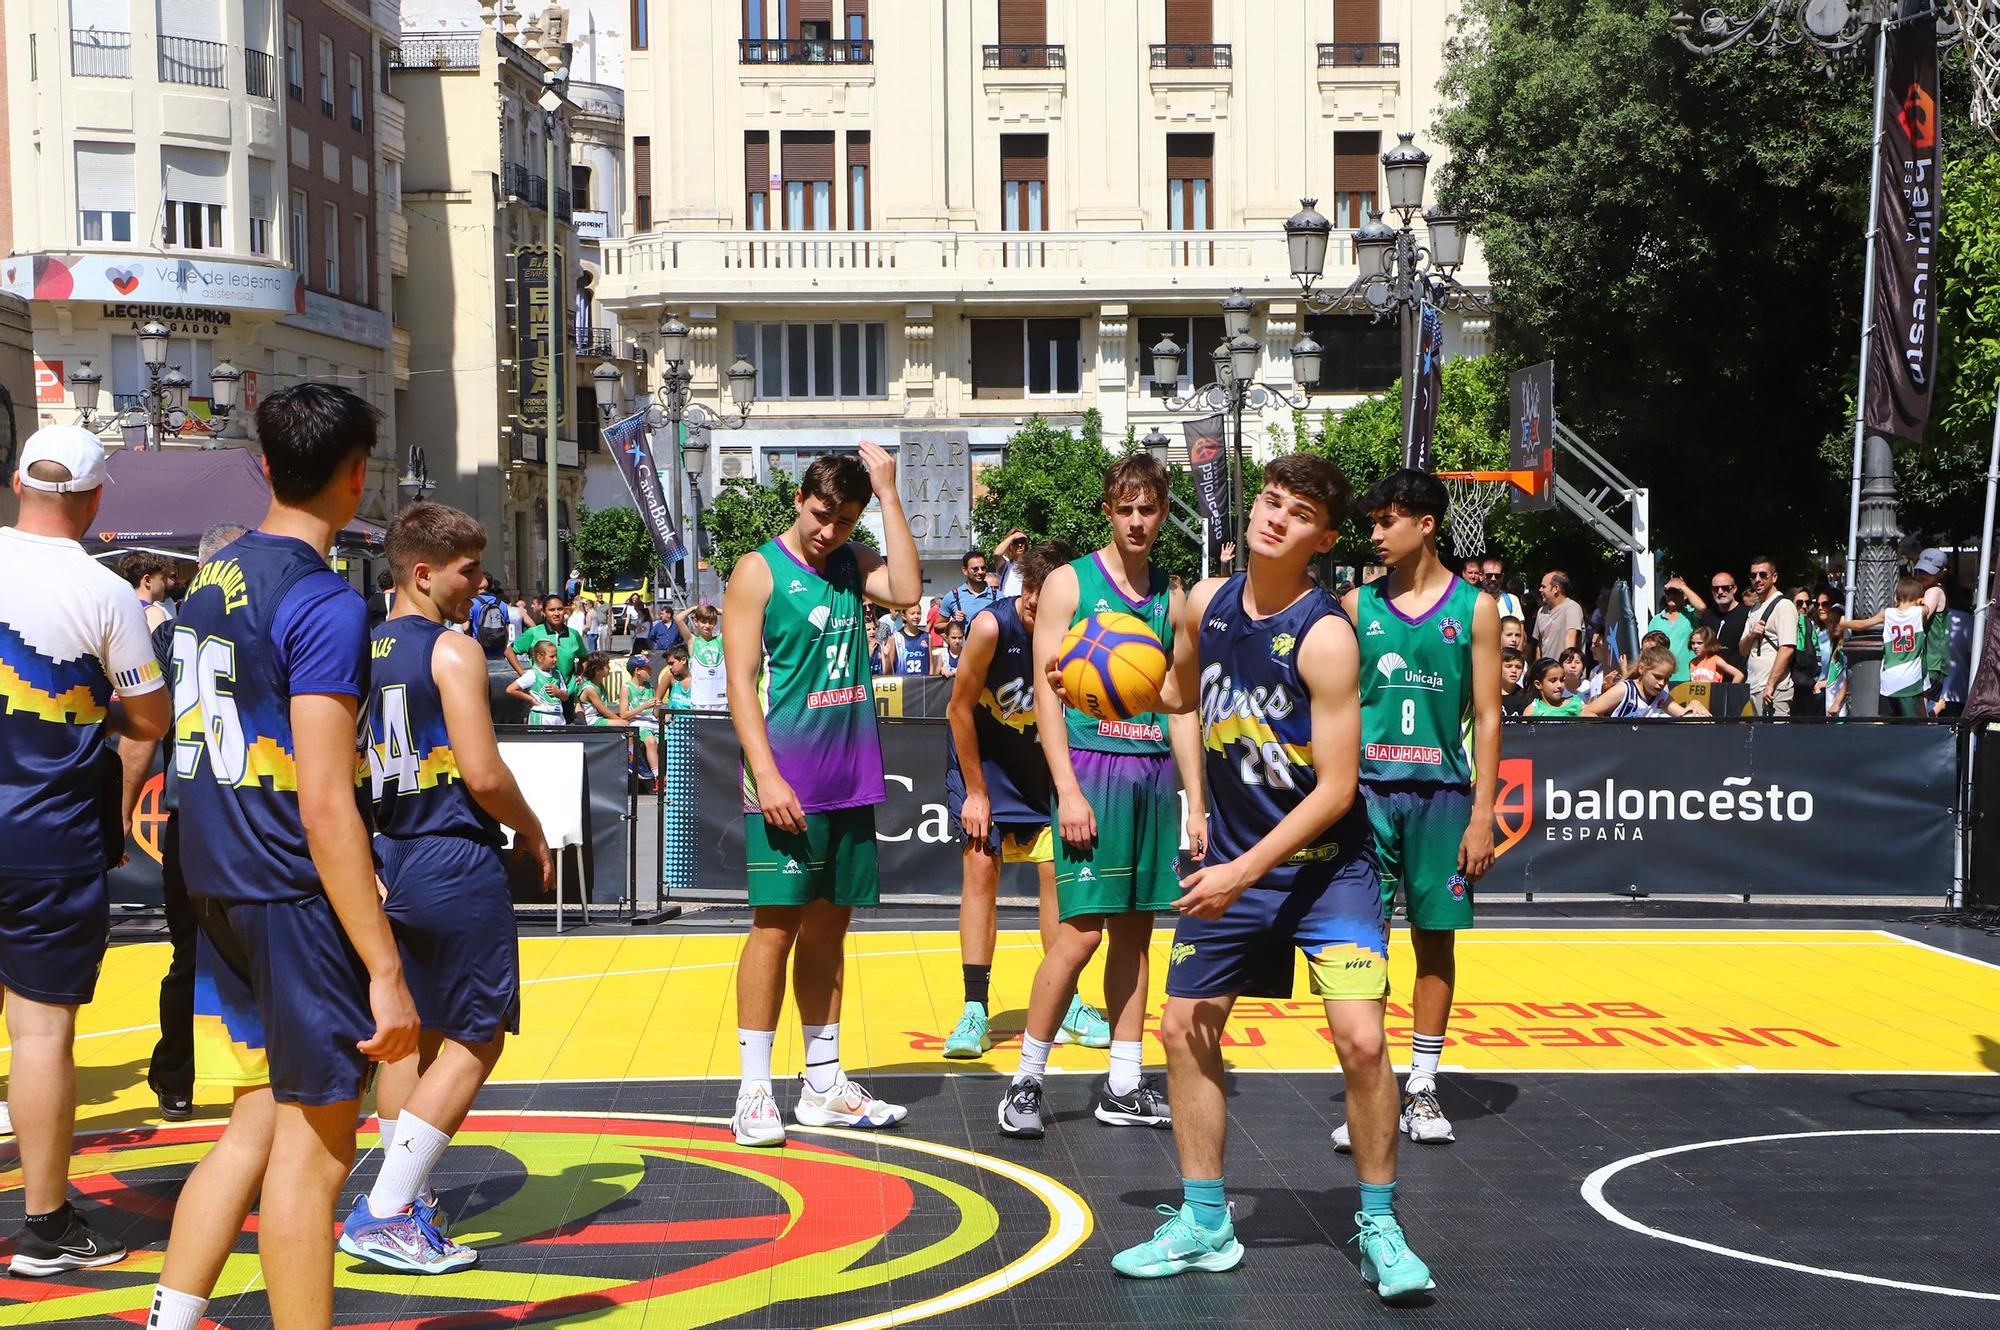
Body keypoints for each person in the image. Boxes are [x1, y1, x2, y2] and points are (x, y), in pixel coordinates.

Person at [1111, 454, 1435, 1300]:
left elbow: (1335, 789)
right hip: (1238, 869)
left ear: (1323, 541)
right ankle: (1206, 1220)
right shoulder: (1203, 601)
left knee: (1363, 1043)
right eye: (1269, 501)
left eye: (1297, 515)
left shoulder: (1328, 635)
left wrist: (1238, 867)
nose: (1274, 518)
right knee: (1183, 1028)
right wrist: (1112, 687)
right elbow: (1182, 695)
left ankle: (1378, 1221)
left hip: (1328, 872)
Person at [146, 384, 420, 1330]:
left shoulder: (208, 582)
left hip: (213, 874)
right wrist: (384, 968)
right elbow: (325, 799)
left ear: (265, 467)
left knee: (256, 1123)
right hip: (286, 893)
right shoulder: (323, 604)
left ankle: (172, 1316)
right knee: (316, 1157)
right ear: (358, 476)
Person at [341, 502, 553, 1273]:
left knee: (413, 1036)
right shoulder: (452, 651)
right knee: (478, 1034)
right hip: (450, 853)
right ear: (423, 573)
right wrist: (532, 829)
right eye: (468, 567)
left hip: (385, 853)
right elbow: (486, 774)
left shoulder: (357, 651)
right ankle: (389, 1208)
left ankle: (410, 1202)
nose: (480, 580)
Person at [1, 425, 172, 1275]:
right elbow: (148, 720)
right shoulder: (106, 595)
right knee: (39, 1032)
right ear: (97, 500)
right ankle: (44, 1223)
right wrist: (113, 792)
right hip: (48, 835)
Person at [998, 453, 1202, 1141]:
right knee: (1081, 934)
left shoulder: (1172, 599)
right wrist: (1067, 790)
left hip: (1149, 777)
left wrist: (1195, 801)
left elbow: (1180, 707)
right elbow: (1048, 698)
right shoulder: (1068, 585)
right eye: (1126, 509)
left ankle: (1123, 1081)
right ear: (1108, 511)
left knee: (1138, 936)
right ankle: (1025, 1079)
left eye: (1149, 509)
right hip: (1091, 771)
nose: (1138, 521)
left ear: (1164, 511)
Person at [724, 444, 920, 1148]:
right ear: (801, 499)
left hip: (848, 777)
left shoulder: (851, 561)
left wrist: (890, 494)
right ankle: (752, 1091)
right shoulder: (758, 570)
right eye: (817, 515)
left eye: (842, 522)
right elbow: (740, 684)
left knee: (831, 933)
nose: (825, 532)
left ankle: (823, 1084)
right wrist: (767, 775)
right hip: (786, 778)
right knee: (774, 931)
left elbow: (907, 590)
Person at [1336, 468, 1499, 1153]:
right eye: (1373, 522)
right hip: (1367, 795)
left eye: (1387, 521)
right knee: (1360, 946)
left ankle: (1424, 1083)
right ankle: (1372, 1086)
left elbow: (1488, 718)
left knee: (1435, 939)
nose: (1375, 533)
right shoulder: (1354, 605)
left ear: (1426, 525)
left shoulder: (1476, 608)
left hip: (1441, 797)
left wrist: (1483, 812)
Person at [939, 540, 1105, 1060]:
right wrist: (975, 792)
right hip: (984, 765)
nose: (1035, 599)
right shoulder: (992, 628)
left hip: (1043, 771)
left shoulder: (1078, 638)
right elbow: (958, 710)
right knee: (981, 872)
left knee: (1057, 879)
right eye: (1029, 587)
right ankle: (973, 1008)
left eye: (1045, 589)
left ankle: (1070, 1000)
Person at [118, 523, 248, 1127]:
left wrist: (120, 815)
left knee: (188, 951)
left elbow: (142, 731)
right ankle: (268, 1072)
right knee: (267, 946)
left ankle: (176, 1079)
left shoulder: (171, 633)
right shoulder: (262, 625)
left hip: (193, 812)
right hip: (248, 813)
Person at [1843, 577, 1930, 717]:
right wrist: (1922, 604)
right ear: (1919, 599)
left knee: (1886, 723)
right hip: (1910, 680)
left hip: (1888, 679)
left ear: (1895, 598)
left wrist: (1844, 623)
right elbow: (1926, 609)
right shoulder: (1919, 612)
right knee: (1911, 725)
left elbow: (1862, 624)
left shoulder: (1887, 613)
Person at [1738, 556, 1798, 717]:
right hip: (1754, 686)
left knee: (1777, 739)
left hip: (1774, 690)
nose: (1757, 580)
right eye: (1753, 576)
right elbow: (1743, 650)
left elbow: (1787, 649)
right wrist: (1752, 635)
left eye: (1763, 575)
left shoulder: (1784, 606)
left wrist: (1771, 685)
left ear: (1774, 577)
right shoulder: (1755, 608)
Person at [1584, 645, 1709, 719]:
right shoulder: (1625, 690)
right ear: (1642, 669)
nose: (1662, 683)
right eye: (1657, 677)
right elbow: (1587, 712)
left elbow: (1683, 716)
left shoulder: (1661, 697)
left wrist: (1694, 704)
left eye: (1666, 678)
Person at [504, 594, 588, 684]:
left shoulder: (573, 634)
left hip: (568, 692)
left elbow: (584, 657)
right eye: (551, 610)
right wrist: (523, 675)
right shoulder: (534, 632)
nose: (556, 613)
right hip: (541, 693)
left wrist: (579, 676)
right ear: (544, 612)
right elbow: (509, 651)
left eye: (560, 609)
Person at [1681, 571, 1749, 674]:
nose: (1720, 592)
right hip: (1710, 678)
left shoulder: (1747, 613)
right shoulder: (1708, 616)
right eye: (1715, 589)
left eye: (1725, 588)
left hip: (1738, 679)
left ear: (1734, 589)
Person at [507, 638, 568, 725]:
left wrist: (558, 692)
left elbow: (565, 697)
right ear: (539, 657)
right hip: (541, 717)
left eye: (556, 656)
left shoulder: (557, 673)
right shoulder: (532, 674)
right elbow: (510, 690)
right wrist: (530, 699)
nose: (555, 659)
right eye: (552, 656)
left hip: (558, 717)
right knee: (541, 738)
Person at [677, 603, 726, 709]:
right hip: (700, 699)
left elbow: (731, 616)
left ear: (715, 623)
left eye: (711, 622)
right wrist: (694, 609)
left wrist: (715, 611)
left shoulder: (721, 639)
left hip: (720, 699)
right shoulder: (692, 641)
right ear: (696, 622)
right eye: (703, 622)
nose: (707, 626)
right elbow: (678, 619)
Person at [937, 549, 998, 632]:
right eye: (975, 569)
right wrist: (953, 622)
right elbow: (937, 627)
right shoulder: (952, 597)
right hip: (964, 645)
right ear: (965, 571)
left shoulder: (998, 596)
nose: (980, 572)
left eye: (983, 568)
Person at [1645, 582, 1695, 684]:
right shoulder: (1656, 620)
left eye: (1676, 592)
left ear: (1684, 595)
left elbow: (1702, 607)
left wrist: (1682, 586)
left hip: (1688, 677)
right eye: (1668, 592)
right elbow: (1649, 650)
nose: (1671, 595)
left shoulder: (1692, 615)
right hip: (1663, 678)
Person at [121, 551, 180, 632]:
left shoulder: (121, 608)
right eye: (162, 578)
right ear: (147, 580)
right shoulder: (153, 613)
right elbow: (160, 644)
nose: (164, 584)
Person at [1534, 570, 1584, 662]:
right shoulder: (1541, 611)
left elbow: (1570, 636)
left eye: (1543, 586)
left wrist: (1567, 667)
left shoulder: (1572, 608)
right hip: (1546, 672)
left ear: (1556, 588)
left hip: (1565, 673)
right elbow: (1539, 645)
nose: (1540, 590)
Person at [885, 601, 933, 676]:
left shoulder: (927, 637)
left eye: (918, 613)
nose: (916, 616)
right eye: (912, 613)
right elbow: (890, 668)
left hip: (923, 684)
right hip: (904, 684)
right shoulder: (896, 638)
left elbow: (931, 665)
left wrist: (931, 683)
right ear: (904, 616)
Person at [993, 529, 1031, 597]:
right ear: (1009, 545)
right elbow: (997, 553)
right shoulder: (1005, 564)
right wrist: (1013, 537)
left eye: (1022, 541)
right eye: (1016, 542)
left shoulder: (1030, 565)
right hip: (1006, 604)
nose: (1020, 545)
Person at [1499, 646, 1529, 716]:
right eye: (1509, 666)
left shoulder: (1525, 697)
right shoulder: (1489, 695)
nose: (1514, 671)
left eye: (1518, 667)